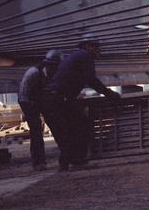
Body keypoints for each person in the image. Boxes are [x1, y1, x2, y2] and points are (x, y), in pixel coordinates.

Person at [42, 36, 121, 170]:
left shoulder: (76, 56)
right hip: (59, 98)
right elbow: (91, 80)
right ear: (87, 46)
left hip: (54, 98)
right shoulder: (84, 56)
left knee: (70, 130)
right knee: (81, 126)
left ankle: (68, 163)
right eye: (96, 47)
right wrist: (109, 94)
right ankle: (76, 161)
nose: (98, 51)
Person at [17, 49, 62, 170]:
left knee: (55, 124)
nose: (56, 70)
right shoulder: (33, 73)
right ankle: (38, 162)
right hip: (28, 101)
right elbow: (24, 95)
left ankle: (67, 155)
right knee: (36, 129)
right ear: (48, 65)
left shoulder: (52, 75)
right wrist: (32, 113)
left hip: (41, 99)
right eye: (55, 67)